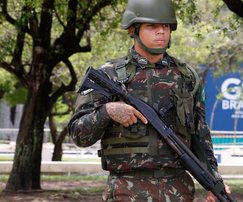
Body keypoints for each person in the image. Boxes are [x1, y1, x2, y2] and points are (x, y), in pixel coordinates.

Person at [68, 0, 231, 201]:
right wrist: (107, 111)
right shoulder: (109, 75)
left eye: (166, 26)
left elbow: (200, 135)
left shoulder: (186, 77)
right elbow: (78, 134)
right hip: (126, 191)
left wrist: (213, 180)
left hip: (178, 191)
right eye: (152, 26)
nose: (161, 32)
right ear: (133, 30)